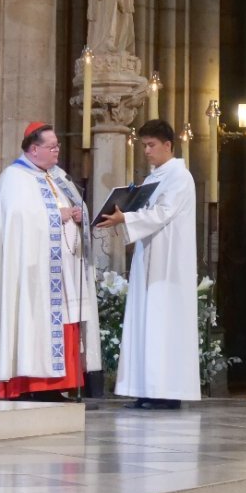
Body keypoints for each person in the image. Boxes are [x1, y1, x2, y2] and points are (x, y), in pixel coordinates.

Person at [0, 122, 101, 400]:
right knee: (33, 323)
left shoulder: (58, 177)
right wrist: (55, 216)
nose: (57, 150)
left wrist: (80, 215)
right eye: (52, 146)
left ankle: (60, 385)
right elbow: (17, 221)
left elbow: (75, 208)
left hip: (63, 272)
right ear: (34, 149)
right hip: (32, 276)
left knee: (66, 323)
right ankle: (29, 386)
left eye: (57, 145)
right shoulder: (14, 178)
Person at [97, 118, 199, 409]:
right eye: (143, 146)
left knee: (163, 324)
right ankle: (145, 388)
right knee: (146, 323)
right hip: (149, 257)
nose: (146, 151)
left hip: (169, 265)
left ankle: (166, 393)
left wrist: (125, 217)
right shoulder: (156, 176)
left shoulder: (179, 177)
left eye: (151, 145)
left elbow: (162, 213)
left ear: (168, 145)